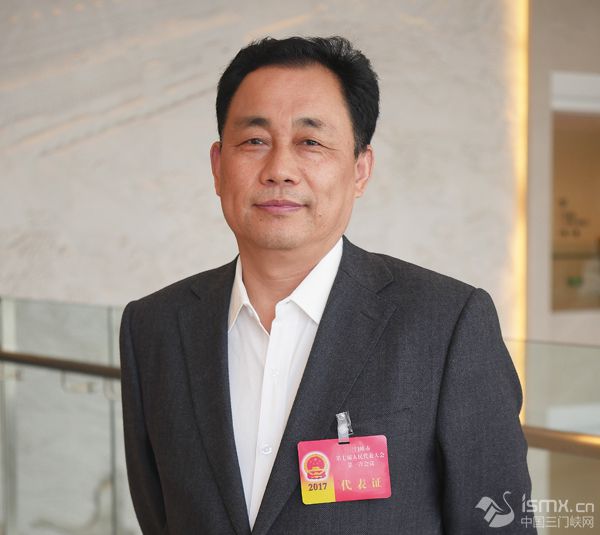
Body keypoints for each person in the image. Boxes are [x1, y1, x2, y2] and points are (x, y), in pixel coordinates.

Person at [120, 36, 535, 534]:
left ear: (360, 170)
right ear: (217, 166)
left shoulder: (446, 324)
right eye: (254, 141)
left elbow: (498, 522)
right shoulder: (154, 327)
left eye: (310, 142)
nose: (279, 170)